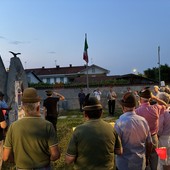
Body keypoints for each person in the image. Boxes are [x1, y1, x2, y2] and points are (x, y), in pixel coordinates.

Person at [3, 87, 60, 169]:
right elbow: (55, 155)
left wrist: (15, 160)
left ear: (23, 108)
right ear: (38, 107)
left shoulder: (13, 127)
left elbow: (5, 157)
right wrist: (47, 160)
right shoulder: (47, 125)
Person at [65, 94, 123, 169]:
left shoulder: (78, 130)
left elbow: (69, 160)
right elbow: (119, 151)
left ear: (85, 114)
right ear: (101, 113)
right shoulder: (111, 128)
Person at [114, 92, 153, 170]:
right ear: (135, 106)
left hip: (124, 164)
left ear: (123, 107)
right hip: (140, 162)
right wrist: (147, 157)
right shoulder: (143, 121)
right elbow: (149, 143)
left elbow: (117, 146)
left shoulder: (119, 123)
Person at [135, 89, 167, 170]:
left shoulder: (137, 111)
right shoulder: (156, 108)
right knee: (155, 159)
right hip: (154, 137)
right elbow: (165, 105)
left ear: (140, 98)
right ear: (150, 98)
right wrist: (155, 98)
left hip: (143, 138)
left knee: (144, 160)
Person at [157, 92, 170, 170]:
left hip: (162, 139)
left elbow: (160, 128)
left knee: (162, 161)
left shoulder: (162, 112)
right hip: (169, 137)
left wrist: (157, 136)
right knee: (168, 161)